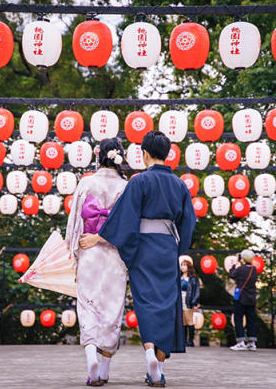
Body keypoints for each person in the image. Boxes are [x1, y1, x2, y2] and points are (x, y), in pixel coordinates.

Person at [80, 131, 196, 388]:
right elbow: (188, 222)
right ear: (167, 154)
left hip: (143, 247)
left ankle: (148, 351)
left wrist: (128, 252)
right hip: (167, 246)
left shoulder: (138, 181)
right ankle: (157, 366)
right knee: (166, 303)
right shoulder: (180, 185)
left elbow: (125, 219)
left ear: (144, 153)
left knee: (144, 302)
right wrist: (179, 248)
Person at [66, 138, 129, 386]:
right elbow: (128, 226)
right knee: (112, 308)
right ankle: (103, 369)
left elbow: (74, 223)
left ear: (99, 156)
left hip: (88, 249)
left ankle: (91, 353)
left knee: (88, 304)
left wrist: (74, 249)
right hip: (115, 252)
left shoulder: (86, 183)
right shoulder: (126, 187)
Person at [229, 249, 259, 351]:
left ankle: (241, 342)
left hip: (241, 298)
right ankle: (252, 342)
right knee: (251, 320)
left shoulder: (240, 269)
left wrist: (234, 266)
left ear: (243, 259)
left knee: (238, 319)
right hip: (251, 298)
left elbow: (232, 274)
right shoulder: (254, 270)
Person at [179, 255, 200, 347]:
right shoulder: (179, 277)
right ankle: (183, 340)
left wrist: (194, 302)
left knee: (189, 320)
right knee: (183, 321)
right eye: (181, 265)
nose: (182, 267)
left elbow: (196, 291)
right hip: (180, 300)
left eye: (184, 265)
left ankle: (190, 340)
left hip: (188, 300)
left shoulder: (192, 279)